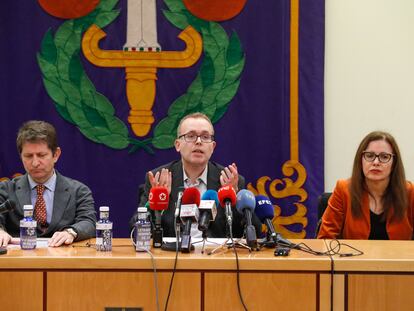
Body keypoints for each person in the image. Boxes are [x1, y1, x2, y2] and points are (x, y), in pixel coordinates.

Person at [130, 112, 262, 238]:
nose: (198, 142)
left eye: (205, 137)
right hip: (170, 257)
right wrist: (155, 204)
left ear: (213, 147)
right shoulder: (158, 178)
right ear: (178, 145)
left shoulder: (230, 180)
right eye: (191, 136)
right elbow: (135, 229)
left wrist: (232, 199)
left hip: (215, 257)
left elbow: (254, 232)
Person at [0, 121, 96, 247]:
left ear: (56, 155)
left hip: (63, 260)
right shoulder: (6, 189)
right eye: (28, 156)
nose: (35, 163)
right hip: (19, 259)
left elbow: (89, 222)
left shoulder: (78, 191)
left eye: (41, 155)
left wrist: (71, 232)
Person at [318, 131, 414, 240]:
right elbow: (325, 239)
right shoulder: (343, 190)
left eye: (384, 156)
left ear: (394, 163)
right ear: (360, 160)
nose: (376, 162)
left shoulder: (410, 193)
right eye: (369, 155)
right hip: (353, 257)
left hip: (398, 257)